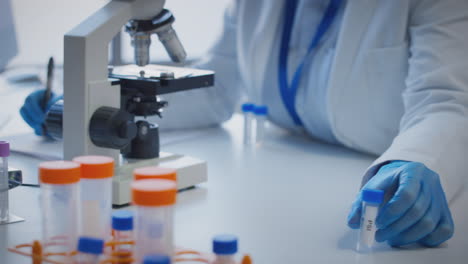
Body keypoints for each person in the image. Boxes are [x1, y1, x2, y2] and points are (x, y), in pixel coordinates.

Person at [21, 0, 468, 247]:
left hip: (366, 181)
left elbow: (445, 101)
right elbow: (216, 88)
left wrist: (418, 159)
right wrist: (78, 106)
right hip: (276, 183)